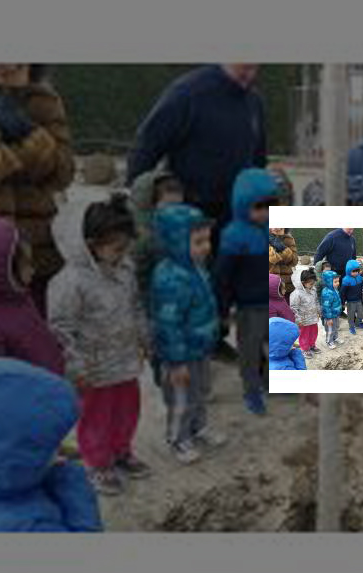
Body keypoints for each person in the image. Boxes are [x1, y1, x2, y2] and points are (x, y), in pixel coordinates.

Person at [127, 64, 268, 363]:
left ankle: (218, 340)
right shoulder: (189, 94)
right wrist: (139, 205)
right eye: (243, 63)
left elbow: (258, 158)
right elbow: (148, 144)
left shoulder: (253, 103)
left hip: (234, 214)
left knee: (229, 282)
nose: (249, 70)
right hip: (192, 211)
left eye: (255, 64)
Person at [48, 192, 152, 496]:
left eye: (125, 247)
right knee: (96, 416)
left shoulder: (125, 269)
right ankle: (97, 462)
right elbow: (61, 329)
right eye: (116, 248)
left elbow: (135, 306)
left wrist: (144, 337)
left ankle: (121, 451)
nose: (122, 253)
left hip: (125, 359)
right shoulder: (70, 282)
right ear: (91, 244)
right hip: (93, 368)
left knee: (127, 409)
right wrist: (76, 366)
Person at [0, 64, 76, 318]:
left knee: (36, 329)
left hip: (39, 250)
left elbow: (64, 172)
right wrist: (31, 149)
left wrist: (29, 132)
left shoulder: (45, 99)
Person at [150, 204, 226, 465]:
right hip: (181, 355)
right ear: (176, 242)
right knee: (181, 398)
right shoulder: (170, 279)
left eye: (207, 240)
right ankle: (178, 439)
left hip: (199, 346)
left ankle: (198, 426)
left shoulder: (196, 268)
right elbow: (168, 325)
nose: (206, 247)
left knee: (200, 392)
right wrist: (176, 362)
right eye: (198, 242)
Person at [0, 358, 103, 532]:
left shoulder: (11, 485)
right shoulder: (29, 526)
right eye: (52, 445)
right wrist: (72, 481)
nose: (60, 450)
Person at [214, 168, 274, 416]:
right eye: (258, 207)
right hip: (248, 306)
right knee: (249, 351)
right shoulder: (234, 237)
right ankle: (252, 391)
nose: (265, 212)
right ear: (241, 206)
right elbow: (223, 278)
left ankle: (270, 381)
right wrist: (222, 309)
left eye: (269, 206)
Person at [0, 216, 64, 374]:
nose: (33, 270)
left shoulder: (21, 297)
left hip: (50, 382)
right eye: (26, 264)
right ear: (2, 269)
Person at [129, 170, 185, 308]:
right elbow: (135, 276)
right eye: (168, 207)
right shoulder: (142, 237)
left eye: (178, 207)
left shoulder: (182, 228)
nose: (174, 212)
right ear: (151, 205)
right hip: (150, 300)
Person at [313, 228, 356, 317]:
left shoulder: (352, 239)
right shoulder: (332, 237)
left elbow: (353, 256)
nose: (351, 231)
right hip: (333, 272)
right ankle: (329, 314)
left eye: (353, 229)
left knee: (343, 293)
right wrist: (317, 271)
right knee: (331, 294)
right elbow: (320, 252)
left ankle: (340, 311)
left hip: (346, 272)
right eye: (349, 229)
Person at [290, 268, 321, 359]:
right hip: (303, 320)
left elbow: (316, 301)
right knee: (304, 334)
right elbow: (294, 308)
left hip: (313, 317)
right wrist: (298, 320)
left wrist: (319, 311)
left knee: (314, 332)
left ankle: (312, 345)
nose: (312, 285)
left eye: (313, 283)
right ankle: (304, 348)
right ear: (303, 282)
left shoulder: (313, 290)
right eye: (310, 283)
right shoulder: (296, 294)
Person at [268, 228, 298, 302]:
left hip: (287, 284)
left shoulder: (289, 239)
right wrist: (283, 254)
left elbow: (294, 261)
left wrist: (283, 248)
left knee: (286, 306)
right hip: (270, 283)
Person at [340, 259, 363, 335]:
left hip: (359, 300)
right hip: (350, 301)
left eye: (357, 271)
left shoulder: (359, 278)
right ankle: (351, 326)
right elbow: (342, 292)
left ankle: (357, 323)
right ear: (348, 271)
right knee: (351, 315)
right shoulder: (346, 280)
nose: (355, 273)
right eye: (353, 271)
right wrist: (342, 302)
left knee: (361, 313)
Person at [320, 270, 343, 349]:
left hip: (335, 313)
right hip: (330, 316)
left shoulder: (335, 290)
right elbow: (326, 307)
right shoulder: (326, 293)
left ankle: (335, 338)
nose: (337, 283)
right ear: (329, 282)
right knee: (330, 329)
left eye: (338, 281)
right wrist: (328, 318)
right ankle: (329, 341)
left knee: (336, 327)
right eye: (335, 282)